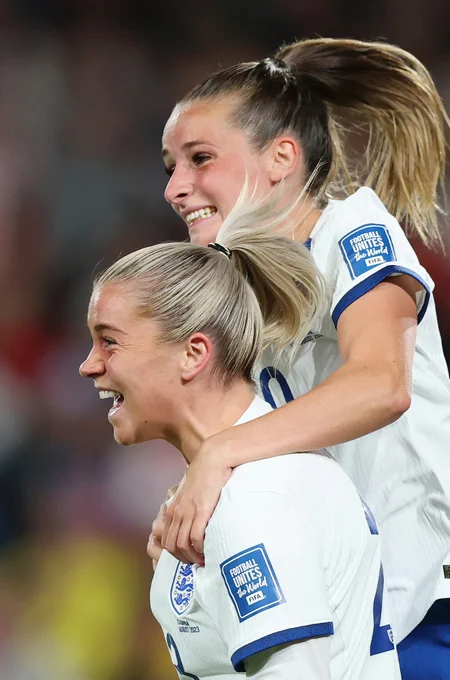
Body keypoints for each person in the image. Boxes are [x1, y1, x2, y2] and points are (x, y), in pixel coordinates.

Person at [152, 37, 450, 679]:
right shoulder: (240, 292)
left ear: (281, 158)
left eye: (199, 159)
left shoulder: (351, 227)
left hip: (442, 613)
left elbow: (381, 384)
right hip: (355, 627)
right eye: (169, 166)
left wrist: (221, 455)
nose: (175, 187)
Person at [79, 202, 401, 680]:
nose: (89, 365)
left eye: (109, 341)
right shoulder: (228, 490)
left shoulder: (255, 497)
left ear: (192, 354)